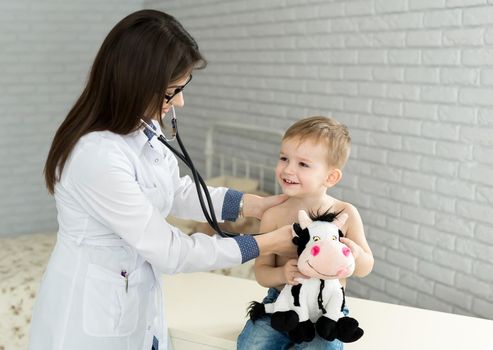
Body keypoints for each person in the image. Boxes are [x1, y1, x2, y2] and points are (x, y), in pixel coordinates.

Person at [28, 9, 296, 350]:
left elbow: (176, 191)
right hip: (89, 318)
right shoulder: (96, 156)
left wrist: (250, 204)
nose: (180, 102)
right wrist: (265, 243)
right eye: (172, 91)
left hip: (132, 300)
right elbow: (171, 251)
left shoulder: (141, 130)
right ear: (136, 84)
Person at [237, 116, 374, 350]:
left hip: (327, 310)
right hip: (282, 305)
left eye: (303, 164)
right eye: (284, 158)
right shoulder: (274, 216)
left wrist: (356, 253)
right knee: (252, 345)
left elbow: (366, 267)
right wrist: (282, 274)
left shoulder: (345, 213)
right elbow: (261, 273)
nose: (288, 169)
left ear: (331, 176)